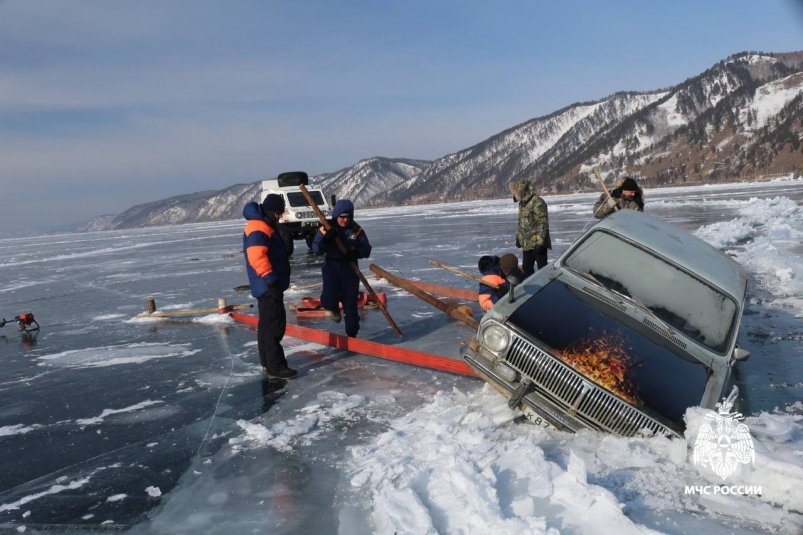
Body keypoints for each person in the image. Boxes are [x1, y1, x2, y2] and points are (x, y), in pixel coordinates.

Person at [242, 194, 297, 380]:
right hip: (268, 285)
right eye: (279, 213)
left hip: (266, 285)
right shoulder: (259, 226)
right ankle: (277, 367)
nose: (280, 217)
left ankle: (267, 362)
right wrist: (269, 276)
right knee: (274, 326)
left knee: (266, 326)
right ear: (272, 212)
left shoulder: (262, 224)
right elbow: (256, 255)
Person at [312, 199, 372, 337]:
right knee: (328, 298)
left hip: (349, 269)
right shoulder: (326, 227)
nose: (345, 220)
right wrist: (326, 240)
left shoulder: (355, 230)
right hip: (331, 268)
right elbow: (316, 249)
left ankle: (352, 334)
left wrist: (355, 253)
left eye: (348, 217)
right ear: (336, 216)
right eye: (342, 217)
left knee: (350, 304)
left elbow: (366, 248)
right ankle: (333, 309)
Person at [509, 179, 552, 278]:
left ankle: (546, 289)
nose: (515, 194)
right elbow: (521, 223)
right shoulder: (522, 203)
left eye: (517, 192)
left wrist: (540, 243)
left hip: (537, 244)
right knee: (527, 271)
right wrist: (518, 238)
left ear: (523, 190)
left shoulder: (538, 202)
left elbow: (542, 224)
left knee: (543, 270)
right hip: (527, 244)